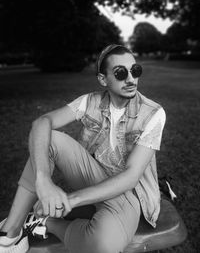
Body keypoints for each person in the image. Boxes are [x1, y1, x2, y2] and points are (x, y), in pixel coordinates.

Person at [0, 44, 166, 253]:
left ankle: (43, 223)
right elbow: (41, 122)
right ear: (103, 79)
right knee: (47, 138)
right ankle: (10, 233)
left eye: (135, 70)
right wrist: (43, 179)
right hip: (96, 177)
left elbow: (131, 177)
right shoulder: (90, 102)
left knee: (103, 244)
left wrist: (72, 199)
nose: (131, 79)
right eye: (121, 73)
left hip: (130, 195)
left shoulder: (153, 113)